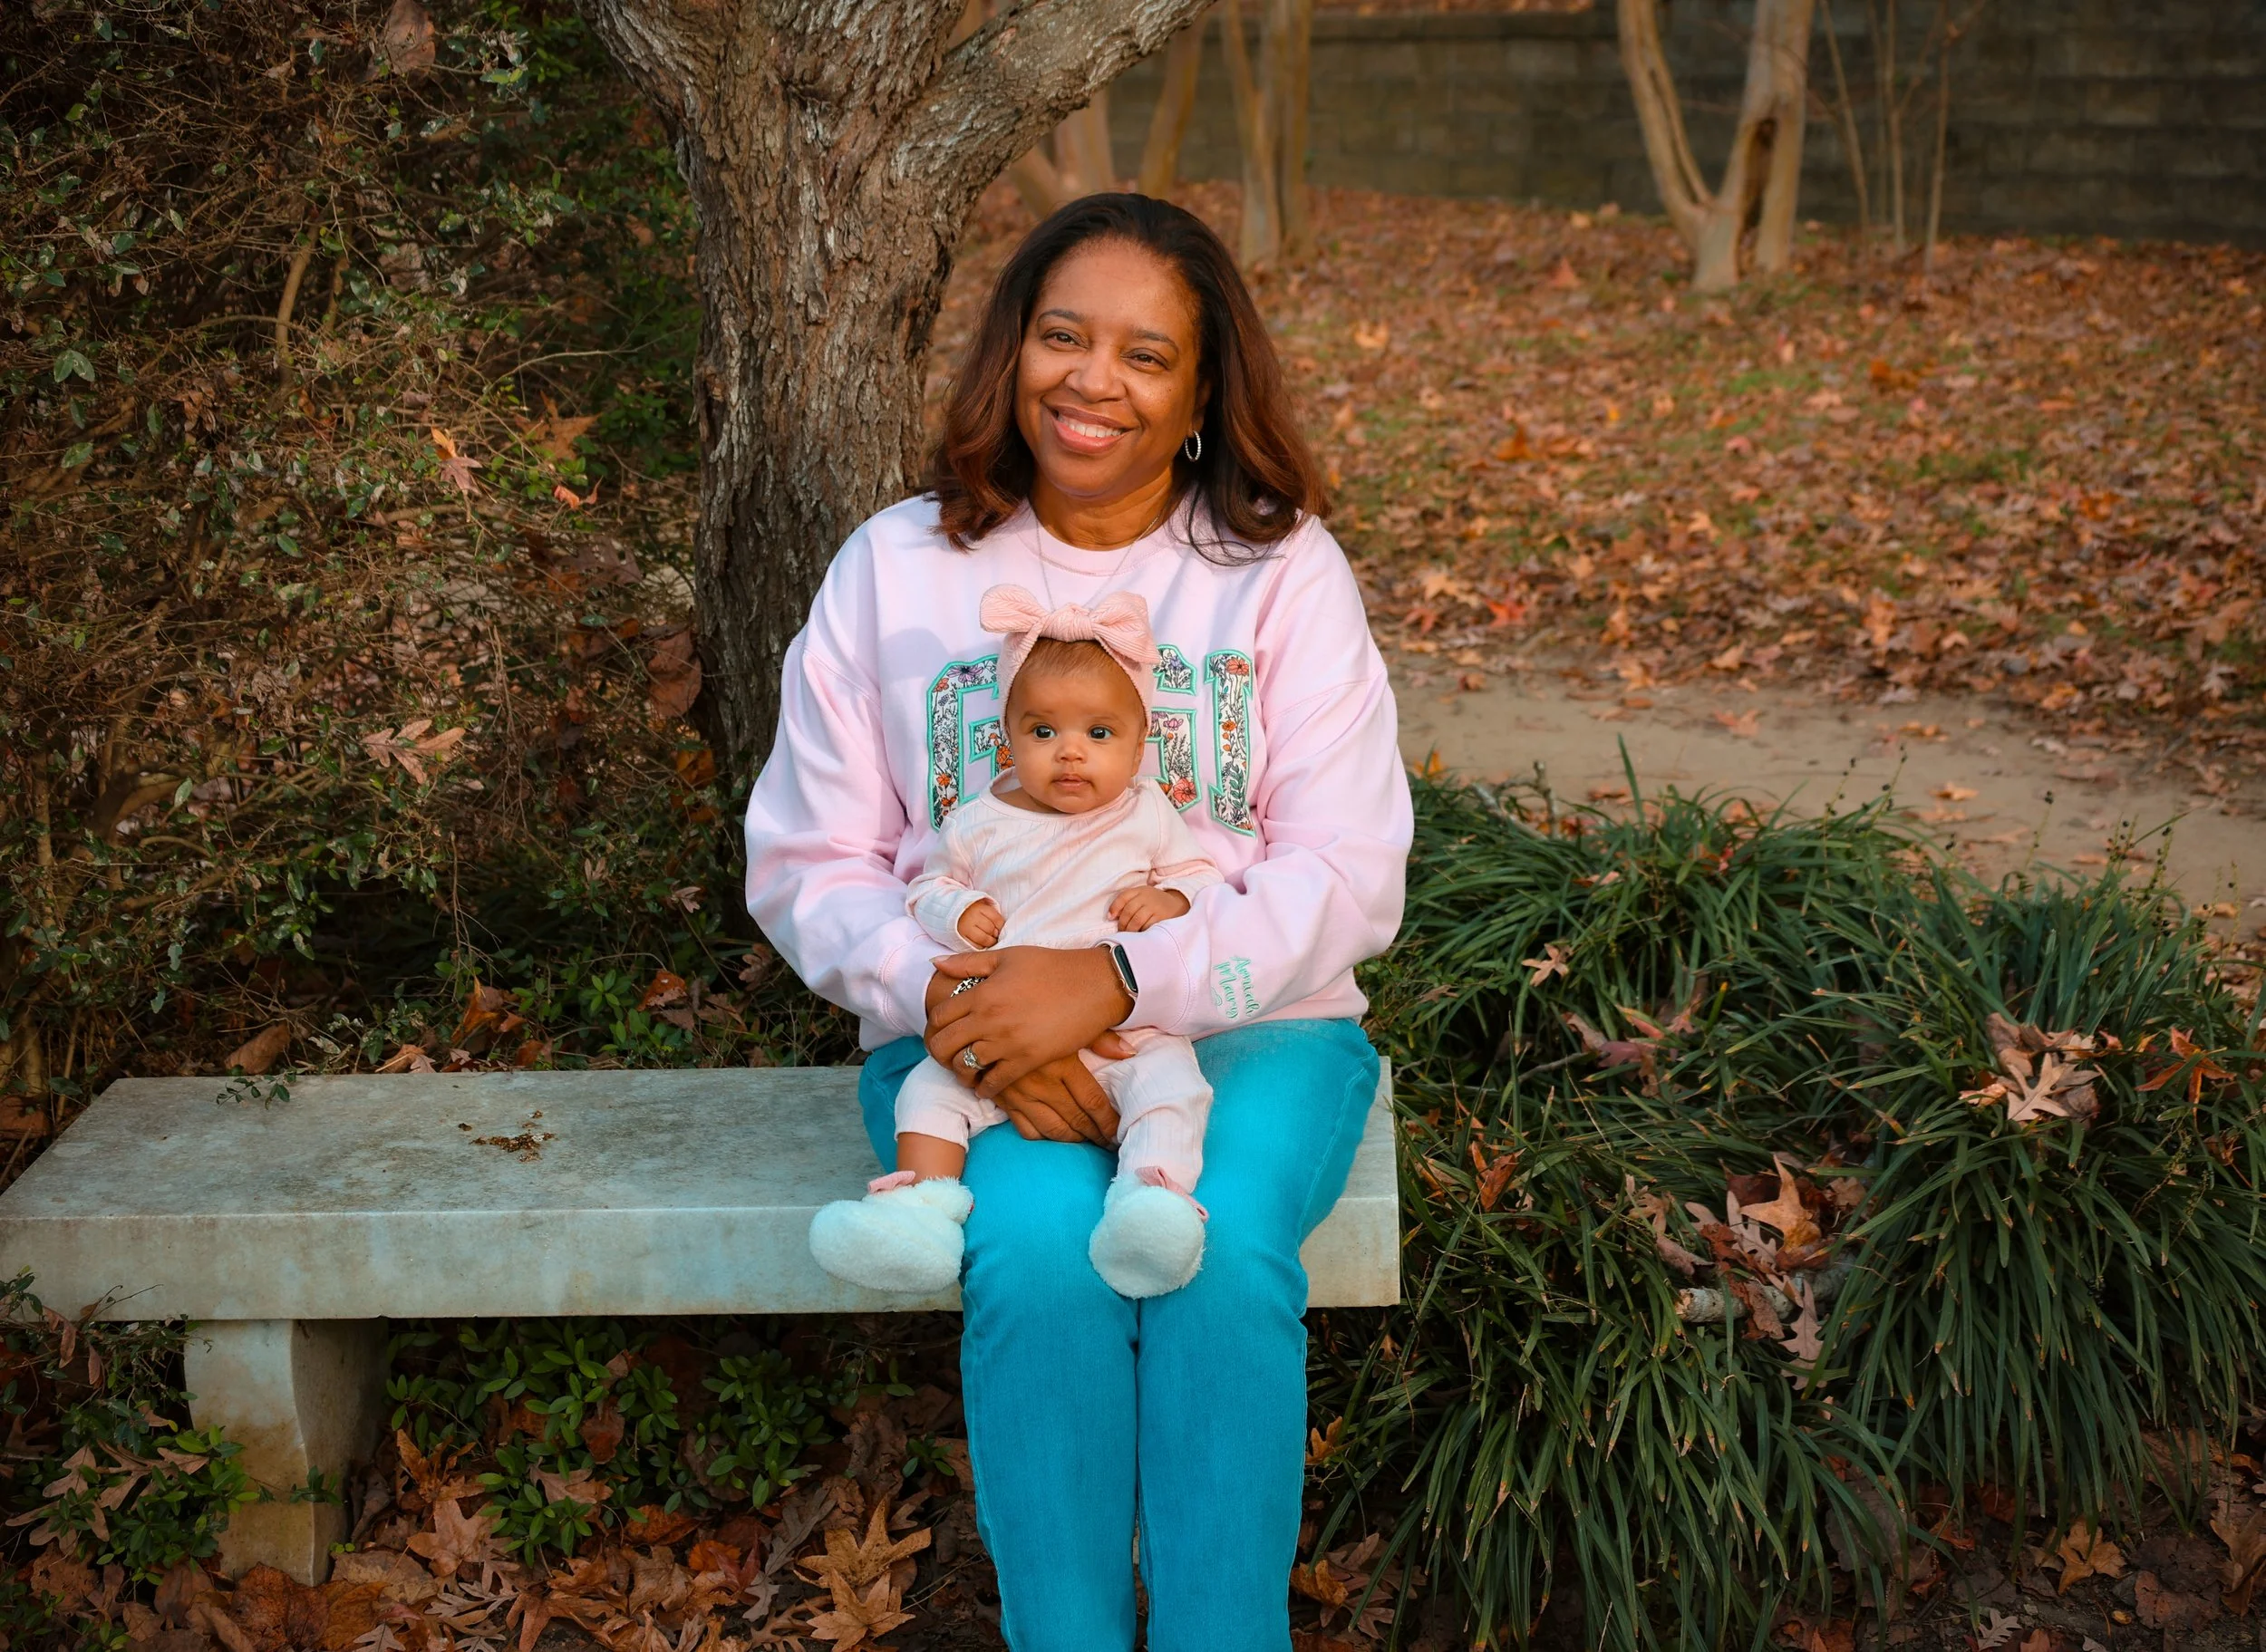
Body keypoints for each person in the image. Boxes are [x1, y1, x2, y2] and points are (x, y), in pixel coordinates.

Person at [743, 191, 1411, 1652]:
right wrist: (964, 1002)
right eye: (1062, 335)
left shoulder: (1277, 573)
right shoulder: (897, 569)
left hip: (1253, 1026)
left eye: (1146, 354)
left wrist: (1113, 977)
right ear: (1012, 351)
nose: (1093, 380)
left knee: (1219, 1247)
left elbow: (1352, 867)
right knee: (1041, 1254)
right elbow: (807, 856)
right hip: (964, 1041)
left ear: (1200, 394)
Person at [807, 586, 1224, 1300]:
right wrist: (959, 908)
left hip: (1123, 1024)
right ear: (1006, 734)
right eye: (1043, 732)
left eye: (1099, 734)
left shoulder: (1148, 812)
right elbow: (927, 889)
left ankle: (1149, 1202)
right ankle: (920, 1207)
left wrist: (1169, 899)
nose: (1070, 753)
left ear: (1137, 744)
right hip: (1000, 1025)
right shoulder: (977, 822)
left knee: (1173, 1087)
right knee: (930, 1088)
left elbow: (1200, 877)